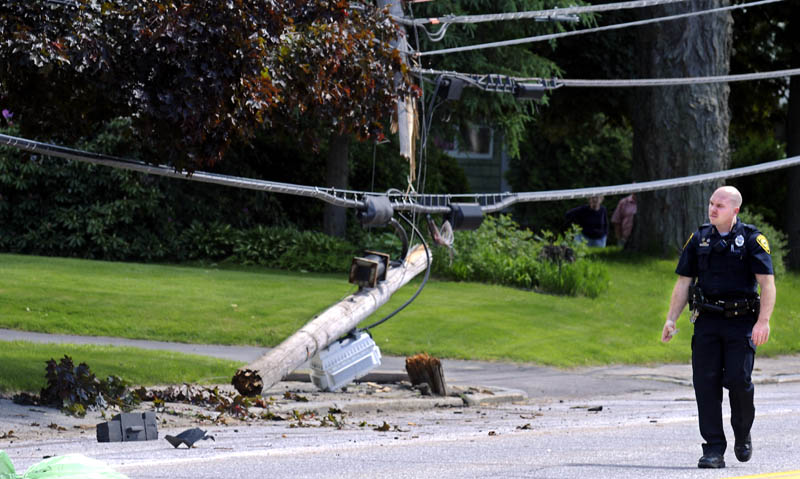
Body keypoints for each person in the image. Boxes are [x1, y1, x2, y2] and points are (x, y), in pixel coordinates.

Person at [661, 185, 776, 469]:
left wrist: (763, 322)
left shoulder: (752, 239)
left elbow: (767, 284)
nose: (712, 209)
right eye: (711, 203)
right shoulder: (699, 238)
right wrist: (671, 318)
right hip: (707, 322)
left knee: (739, 381)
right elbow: (683, 282)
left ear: (735, 210)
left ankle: (742, 430)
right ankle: (713, 448)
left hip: (741, 322)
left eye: (719, 206)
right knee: (706, 384)